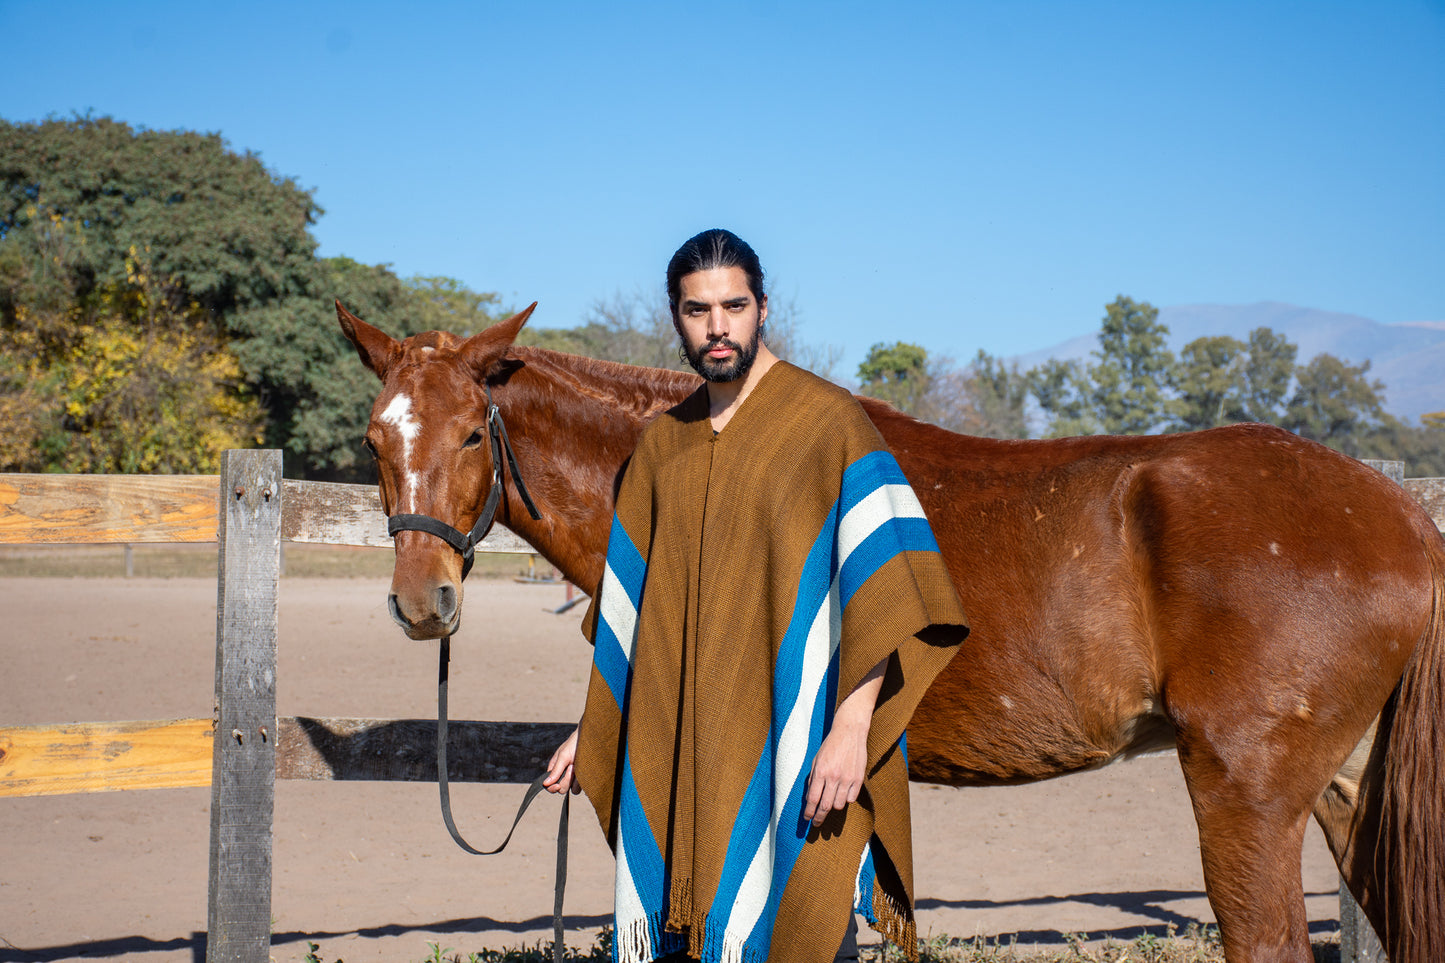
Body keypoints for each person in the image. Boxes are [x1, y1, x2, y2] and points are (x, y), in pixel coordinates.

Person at [544, 229, 968, 963]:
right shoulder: (661, 448)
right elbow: (639, 618)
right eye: (696, 309)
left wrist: (849, 729)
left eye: (733, 305)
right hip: (679, 742)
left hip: (804, 744)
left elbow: (883, 594)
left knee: (802, 923)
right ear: (674, 316)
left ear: (763, 307)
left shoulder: (826, 424)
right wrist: (600, 721)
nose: (717, 327)